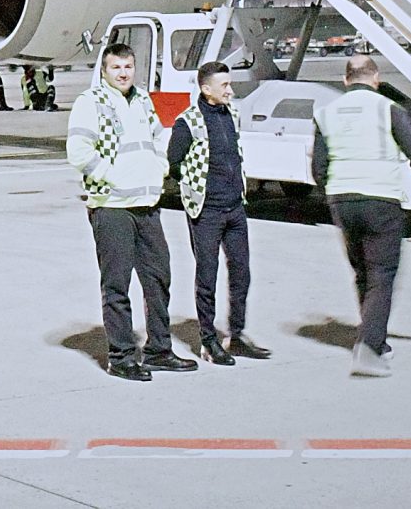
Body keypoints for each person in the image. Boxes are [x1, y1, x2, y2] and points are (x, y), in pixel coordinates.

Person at [67, 40, 193, 380]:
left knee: (158, 279)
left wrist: (160, 168)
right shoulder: (91, 103)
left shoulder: (142, 101)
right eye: (116, 68)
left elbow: (157, 139)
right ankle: (121, 357)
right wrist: (113, 178)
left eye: (128, 67)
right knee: (117, 285)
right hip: (112, 207)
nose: (123, 73)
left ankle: (158, 350)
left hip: (147, 205)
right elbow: (78, 151)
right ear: (105, 71)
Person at [312, 54, 411, 377]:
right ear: (375, 79)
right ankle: (368, 350)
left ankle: (376, 339)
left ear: (345, 80)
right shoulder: (389, 109)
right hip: (381, 199)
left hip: (342, 201)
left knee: (362, 272)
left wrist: (335, 192)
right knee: (382, 273)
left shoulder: (326, 114)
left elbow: (318, 168)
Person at [166, 61, 271, 364]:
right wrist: (196, 189)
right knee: (207, 277)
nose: (230, 90)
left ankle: (236, 335)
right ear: (205, 88)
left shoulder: (231, 115)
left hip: (235, 207)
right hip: (207, 212)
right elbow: (173, 162)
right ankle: (208, 340)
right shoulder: (188, 122)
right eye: (224, 85)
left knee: (241, 272)